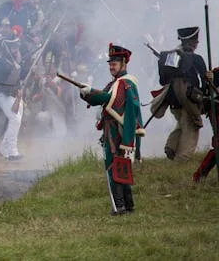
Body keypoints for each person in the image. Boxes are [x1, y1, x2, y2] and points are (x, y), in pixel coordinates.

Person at [80, 44, 144, 215]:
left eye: (114, 63)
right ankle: (127, 205)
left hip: (120, 132)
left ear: (123, 63)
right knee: (119, 167)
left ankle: (121, 207)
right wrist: (87, 93)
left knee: (114, 167)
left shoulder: (125, 83)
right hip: (114, 130)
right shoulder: (116, 83)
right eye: (110, 63)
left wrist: (91, 91)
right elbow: (104, 98)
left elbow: (111, 101)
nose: (111, 66)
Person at [149, 27, 207, 161]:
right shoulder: (197, 58)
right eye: (196, 41)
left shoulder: (170, 56)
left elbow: (163, 79)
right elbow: (205, 81)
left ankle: (172, 146)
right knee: (192, 126)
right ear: (193, 43)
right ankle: (182, 159)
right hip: (189, 99)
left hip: (173, 100)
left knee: (182, 122)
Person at [0, 34, 25, 160]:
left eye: (15, 46)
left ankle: (4, 149)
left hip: (15, 93)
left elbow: (20, 75)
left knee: (16, 120)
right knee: (15, 119)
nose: (15, 48)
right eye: (12, 46)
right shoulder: (0, 62)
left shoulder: (15, 60)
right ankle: (12, 151)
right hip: (4, 94)